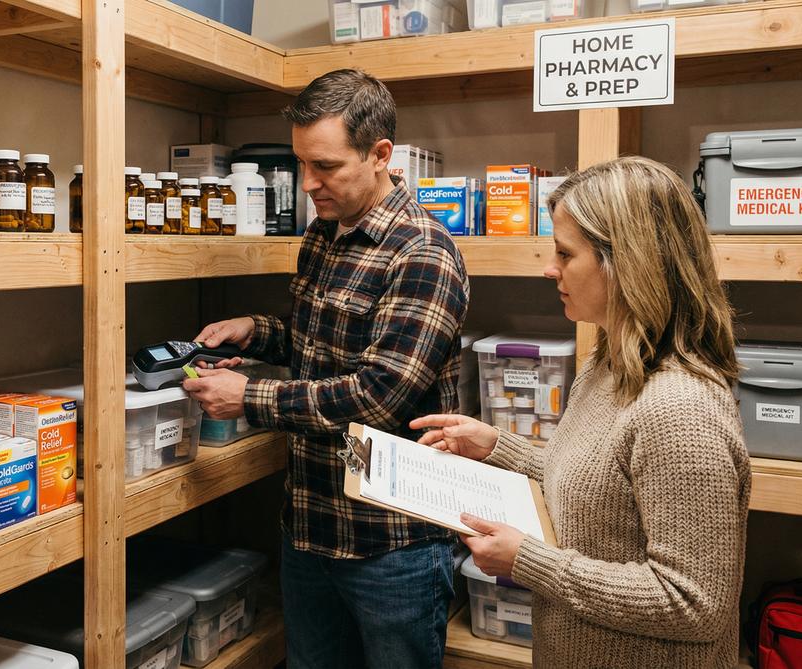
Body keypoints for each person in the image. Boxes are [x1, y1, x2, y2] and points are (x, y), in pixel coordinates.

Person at [412, 156, 750, 668]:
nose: (550, 268)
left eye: (565, 253)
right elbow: (599, 490)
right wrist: (498, 447)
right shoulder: (611, 361)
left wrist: (529, 562)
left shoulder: (681, 409)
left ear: (627, 262)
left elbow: (694, 603)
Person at [182, 69, 470, 669]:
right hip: (309, 527)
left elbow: (378, 394)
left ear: (381, 155)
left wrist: (251, 397)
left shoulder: (425, 253)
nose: (308, 183)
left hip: (392, 546)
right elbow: (321, 344)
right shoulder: (323, 234)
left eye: (327, 167)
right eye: (301, 164)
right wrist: (256, 333)